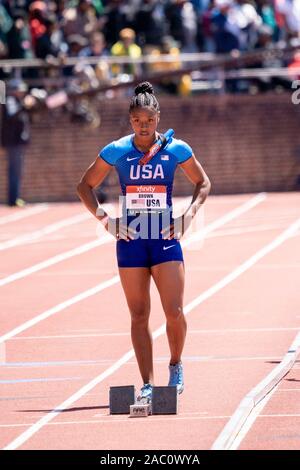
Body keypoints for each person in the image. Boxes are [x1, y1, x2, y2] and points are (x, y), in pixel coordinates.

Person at [77, 81, 211, 401]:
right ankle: (147, 384)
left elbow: (202, 183)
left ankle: (176, 364)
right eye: (138, 121)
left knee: (174, 311)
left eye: (149, 120)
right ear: (130, 120)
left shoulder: (176, 149)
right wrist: (107, 221)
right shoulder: (117, 150)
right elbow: (84, 186)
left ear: (158, 118)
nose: (144, 126)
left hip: (164, 239)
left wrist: (188, 216)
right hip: (131, 242)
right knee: (138, 314)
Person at [1, 79, 36, 207]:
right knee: (15, 170)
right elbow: (12, 114)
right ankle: (13, 199)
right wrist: (24, 105)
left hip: (17, 142)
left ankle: (15, 197)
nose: (22, 92)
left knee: (17, 170)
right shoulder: (10, 100)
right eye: (19, 89)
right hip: (13, 142)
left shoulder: (17, 101)